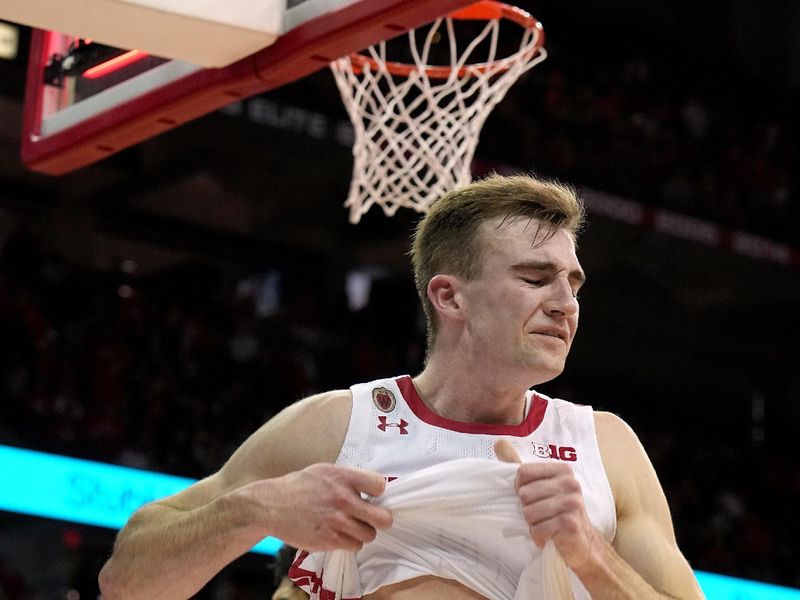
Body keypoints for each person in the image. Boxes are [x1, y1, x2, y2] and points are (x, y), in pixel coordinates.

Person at [98, 174, 704, 599]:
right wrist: (259, 509)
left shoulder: (605, 445)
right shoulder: (339, 426)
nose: (565, 303)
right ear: (450, 296)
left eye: (573, 283)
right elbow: (126, 583)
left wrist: (589, 555)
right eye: (535, 278)